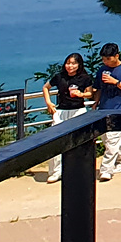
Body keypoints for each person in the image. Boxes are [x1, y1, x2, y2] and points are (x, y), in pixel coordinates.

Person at [43, 52, 96, 183]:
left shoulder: (84, 78)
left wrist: (81, 94)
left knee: (80, 140)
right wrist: (49, 103)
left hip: (78, 110)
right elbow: (46, 87)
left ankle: (79, 168)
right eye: (68, 63)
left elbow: (90, 93)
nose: (70, 66)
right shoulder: (59, 76)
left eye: (73, 63)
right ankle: (56, 171)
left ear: (79, 65)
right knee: (55, 140)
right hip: (61, 110)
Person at [94, 43, 121, 181]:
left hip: (120, 109)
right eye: (103, 59)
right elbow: (98, 88)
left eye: (108, 59)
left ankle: (106, 170)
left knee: (112, 141)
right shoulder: (102, 70)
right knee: (107, 140)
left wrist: (115, 82)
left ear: (116, 56)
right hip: (103, 109)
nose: (105, 62)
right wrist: (95, 103)